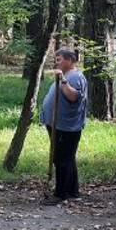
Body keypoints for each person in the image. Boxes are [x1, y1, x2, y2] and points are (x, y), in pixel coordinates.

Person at [40, 48, 88, 205]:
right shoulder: (65, 75)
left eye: (59, 59)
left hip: (67, 126)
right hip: (57, 124)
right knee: (66, 158)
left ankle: (60, 193)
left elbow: (73, 96)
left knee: (61, 159)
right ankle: (72, 191)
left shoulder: (75, 76)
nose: (56, 62)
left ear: (69, 60)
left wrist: (63, 80)